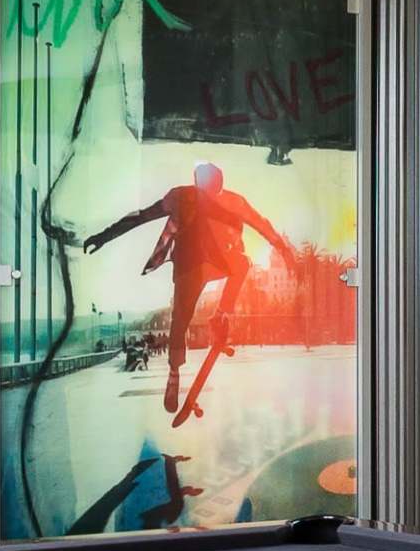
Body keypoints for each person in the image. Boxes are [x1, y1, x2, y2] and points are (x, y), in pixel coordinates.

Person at [86, 161, 296, 423]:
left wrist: (285, 250)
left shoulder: (233, 202)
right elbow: (141, 216)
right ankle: (174, 374)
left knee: (242, 263)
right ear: (199, 183)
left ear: (219, 184)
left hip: (218, 262)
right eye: (207, 188)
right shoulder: (180, 196)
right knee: (180, 320)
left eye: (215, 189)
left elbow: (262, 225)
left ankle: (221, 313)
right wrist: (104, 235)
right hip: (189, 266)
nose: (211, 195)